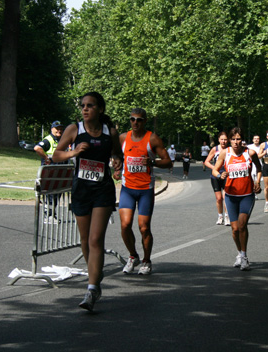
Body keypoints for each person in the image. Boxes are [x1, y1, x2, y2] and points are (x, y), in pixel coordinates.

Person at [52, 92, 122, 312]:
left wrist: (117, 166)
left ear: (100, 109)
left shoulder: (109, 132)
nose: (85, 109)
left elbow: (117, 155)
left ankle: (92, 288)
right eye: (82, 105)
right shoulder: (74, 129)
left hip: (102, 190)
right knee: (85, 240)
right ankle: (95, 274)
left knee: (95, 239)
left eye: (90, 106)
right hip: (81, 190)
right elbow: (56, 155)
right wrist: (73, 153)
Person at [118, 108, 172, 276]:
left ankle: (147, 260)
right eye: (132, 119)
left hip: (145, 190)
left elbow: (168, 162)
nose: (135, 122)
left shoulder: (152, 139)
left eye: (139, 120)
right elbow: (116, 154)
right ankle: (133, 256)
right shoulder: (123, 137)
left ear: (145, 121)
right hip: (127, 189)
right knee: (125, 225)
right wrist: (117, 165)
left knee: (143, 228)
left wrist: (153, 162)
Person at [212, 127, 262, 271]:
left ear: (242, 140)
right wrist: (219, 175)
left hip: (247, 195)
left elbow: (259, 169)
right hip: (230, 196)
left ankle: (245, 256)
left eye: (238, 139)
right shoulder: (225, 153)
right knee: (234, 229)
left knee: (242, 225)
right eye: (233, 139)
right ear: (229, 140)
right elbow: (215, 169)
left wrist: (257, 183)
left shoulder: (250, 153)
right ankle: (239, 253)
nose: (235, 142)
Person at [34, 120, 66, 221]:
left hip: (60, 173)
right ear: (52, 129)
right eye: (57, 129)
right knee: (50, 194)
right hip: (51, 172)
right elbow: (37, 148)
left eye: (61, 129)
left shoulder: (62, 140)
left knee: (57, 194)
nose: (59, 131)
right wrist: (46, 158)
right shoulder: (48, 140)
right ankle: (48, 215)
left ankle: (52, 214)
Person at [204, 132, 230, 225]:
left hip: (226, 175)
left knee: (225, 197)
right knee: (219, 198)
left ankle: (227, 216)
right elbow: (206, 161)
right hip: (215, 176)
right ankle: (220, 216)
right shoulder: (215, 149)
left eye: (225, 139)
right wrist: (214, 168)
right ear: (219, 140)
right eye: (222, 139)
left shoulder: (229, 149)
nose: (223, 141)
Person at [247, 135, 261, 199]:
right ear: (252, 140)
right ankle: (252, 193)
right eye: (255, 138)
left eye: (257, 139)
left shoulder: (261, 147)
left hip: (258, 165)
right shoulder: (249, 147)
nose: (256, 140)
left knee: (257, 180)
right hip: (251, 165)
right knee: (251, 179)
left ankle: (255, 191)